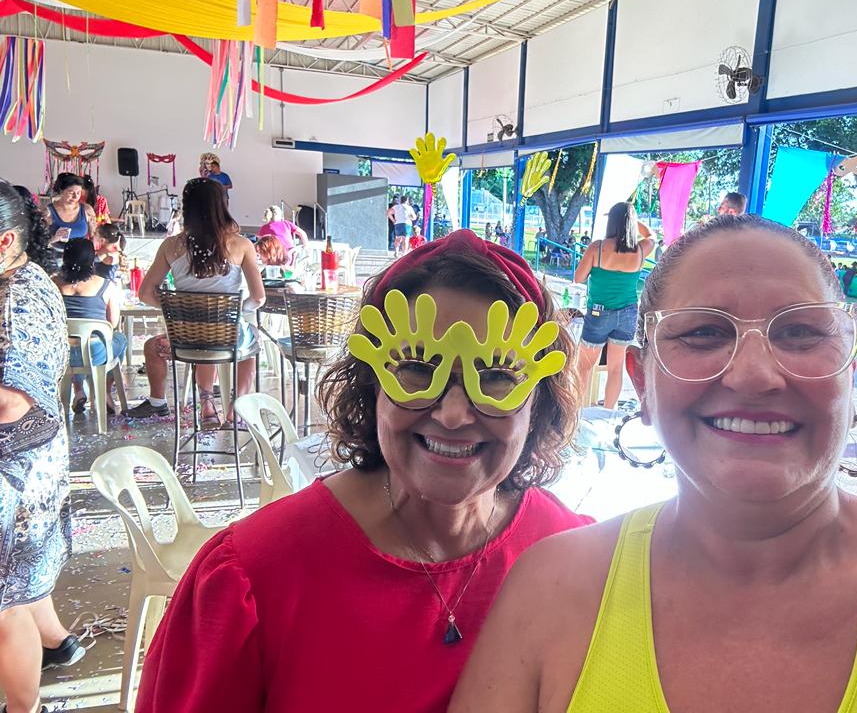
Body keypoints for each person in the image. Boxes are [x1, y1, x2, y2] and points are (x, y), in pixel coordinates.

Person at [452, 214, 857, 713]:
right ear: (642, 383)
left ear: (849, 372)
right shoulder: (553, 591)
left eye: (800, 332)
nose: (754, 375)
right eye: (703, 333)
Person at [135, 229, 589, 712]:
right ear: (373, 384)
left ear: (538, 402)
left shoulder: (577, 563)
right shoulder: (254, 578)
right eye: (417, 368)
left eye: (496, 376)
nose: (454, 414)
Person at [0, 181, 83, 713]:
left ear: (5, 240)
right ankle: (56, 642)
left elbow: (11, 401)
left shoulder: (17, 301)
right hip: (34, 459)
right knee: (22, 580)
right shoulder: (24, 277)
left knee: (4, 607)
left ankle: (22, 705)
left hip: (17, 471)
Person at [125, 178, 264, 427]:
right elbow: (258, 297)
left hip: (185, 341)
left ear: (187, 207)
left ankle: (207, 406)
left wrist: (179, 311)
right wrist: (235, 310)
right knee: (252, 342)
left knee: (200, 340)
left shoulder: (171, 245)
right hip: (228, 338)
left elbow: (145, 293)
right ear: (222, 205)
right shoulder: (242, 245)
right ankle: (235, 411)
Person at [573, 201, 655, 411]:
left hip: (598, 313)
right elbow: (652, 236)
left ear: (611, 222)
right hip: (628, 314)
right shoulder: (640, 250)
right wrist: (634, 221)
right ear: (631, 224)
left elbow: (578, 278)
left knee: (584, 367)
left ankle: (576, 412)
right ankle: (608, 413)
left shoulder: (597, 248)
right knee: (615, 369)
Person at [52, 238, 128, 415]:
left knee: (75, 342)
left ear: (65, 258)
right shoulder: (105, 285)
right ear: (91, 259)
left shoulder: (54, 283)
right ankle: (105, 391)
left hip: (63, 353)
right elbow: (112, 323)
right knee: (120, 339)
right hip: (97, 354)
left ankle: (78, 390)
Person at [43, 173, 96, 251]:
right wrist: (53, 239)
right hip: (56, 254)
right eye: (71, 193)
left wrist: (91, 254)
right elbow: (39, 241)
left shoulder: (87, 210)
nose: (75, 197)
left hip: (80, 254)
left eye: (78, 193)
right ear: (61, 191)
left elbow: (93, 236)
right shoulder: (48, 212)